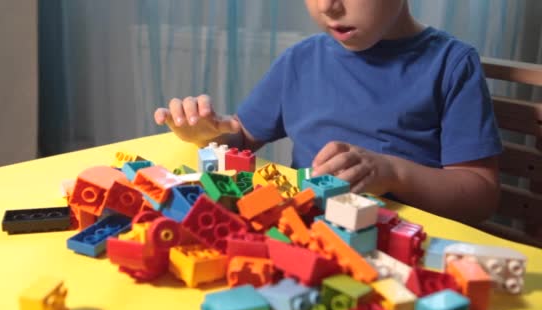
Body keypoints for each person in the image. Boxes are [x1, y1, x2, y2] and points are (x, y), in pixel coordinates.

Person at [152, 0, 502, 226]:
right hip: (307, 237)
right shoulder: (301, 60)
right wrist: (210, 135)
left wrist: (393, 172)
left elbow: (480, 195)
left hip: (406, 250)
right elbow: (242, 135)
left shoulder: (451, 65)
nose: (328, 6)